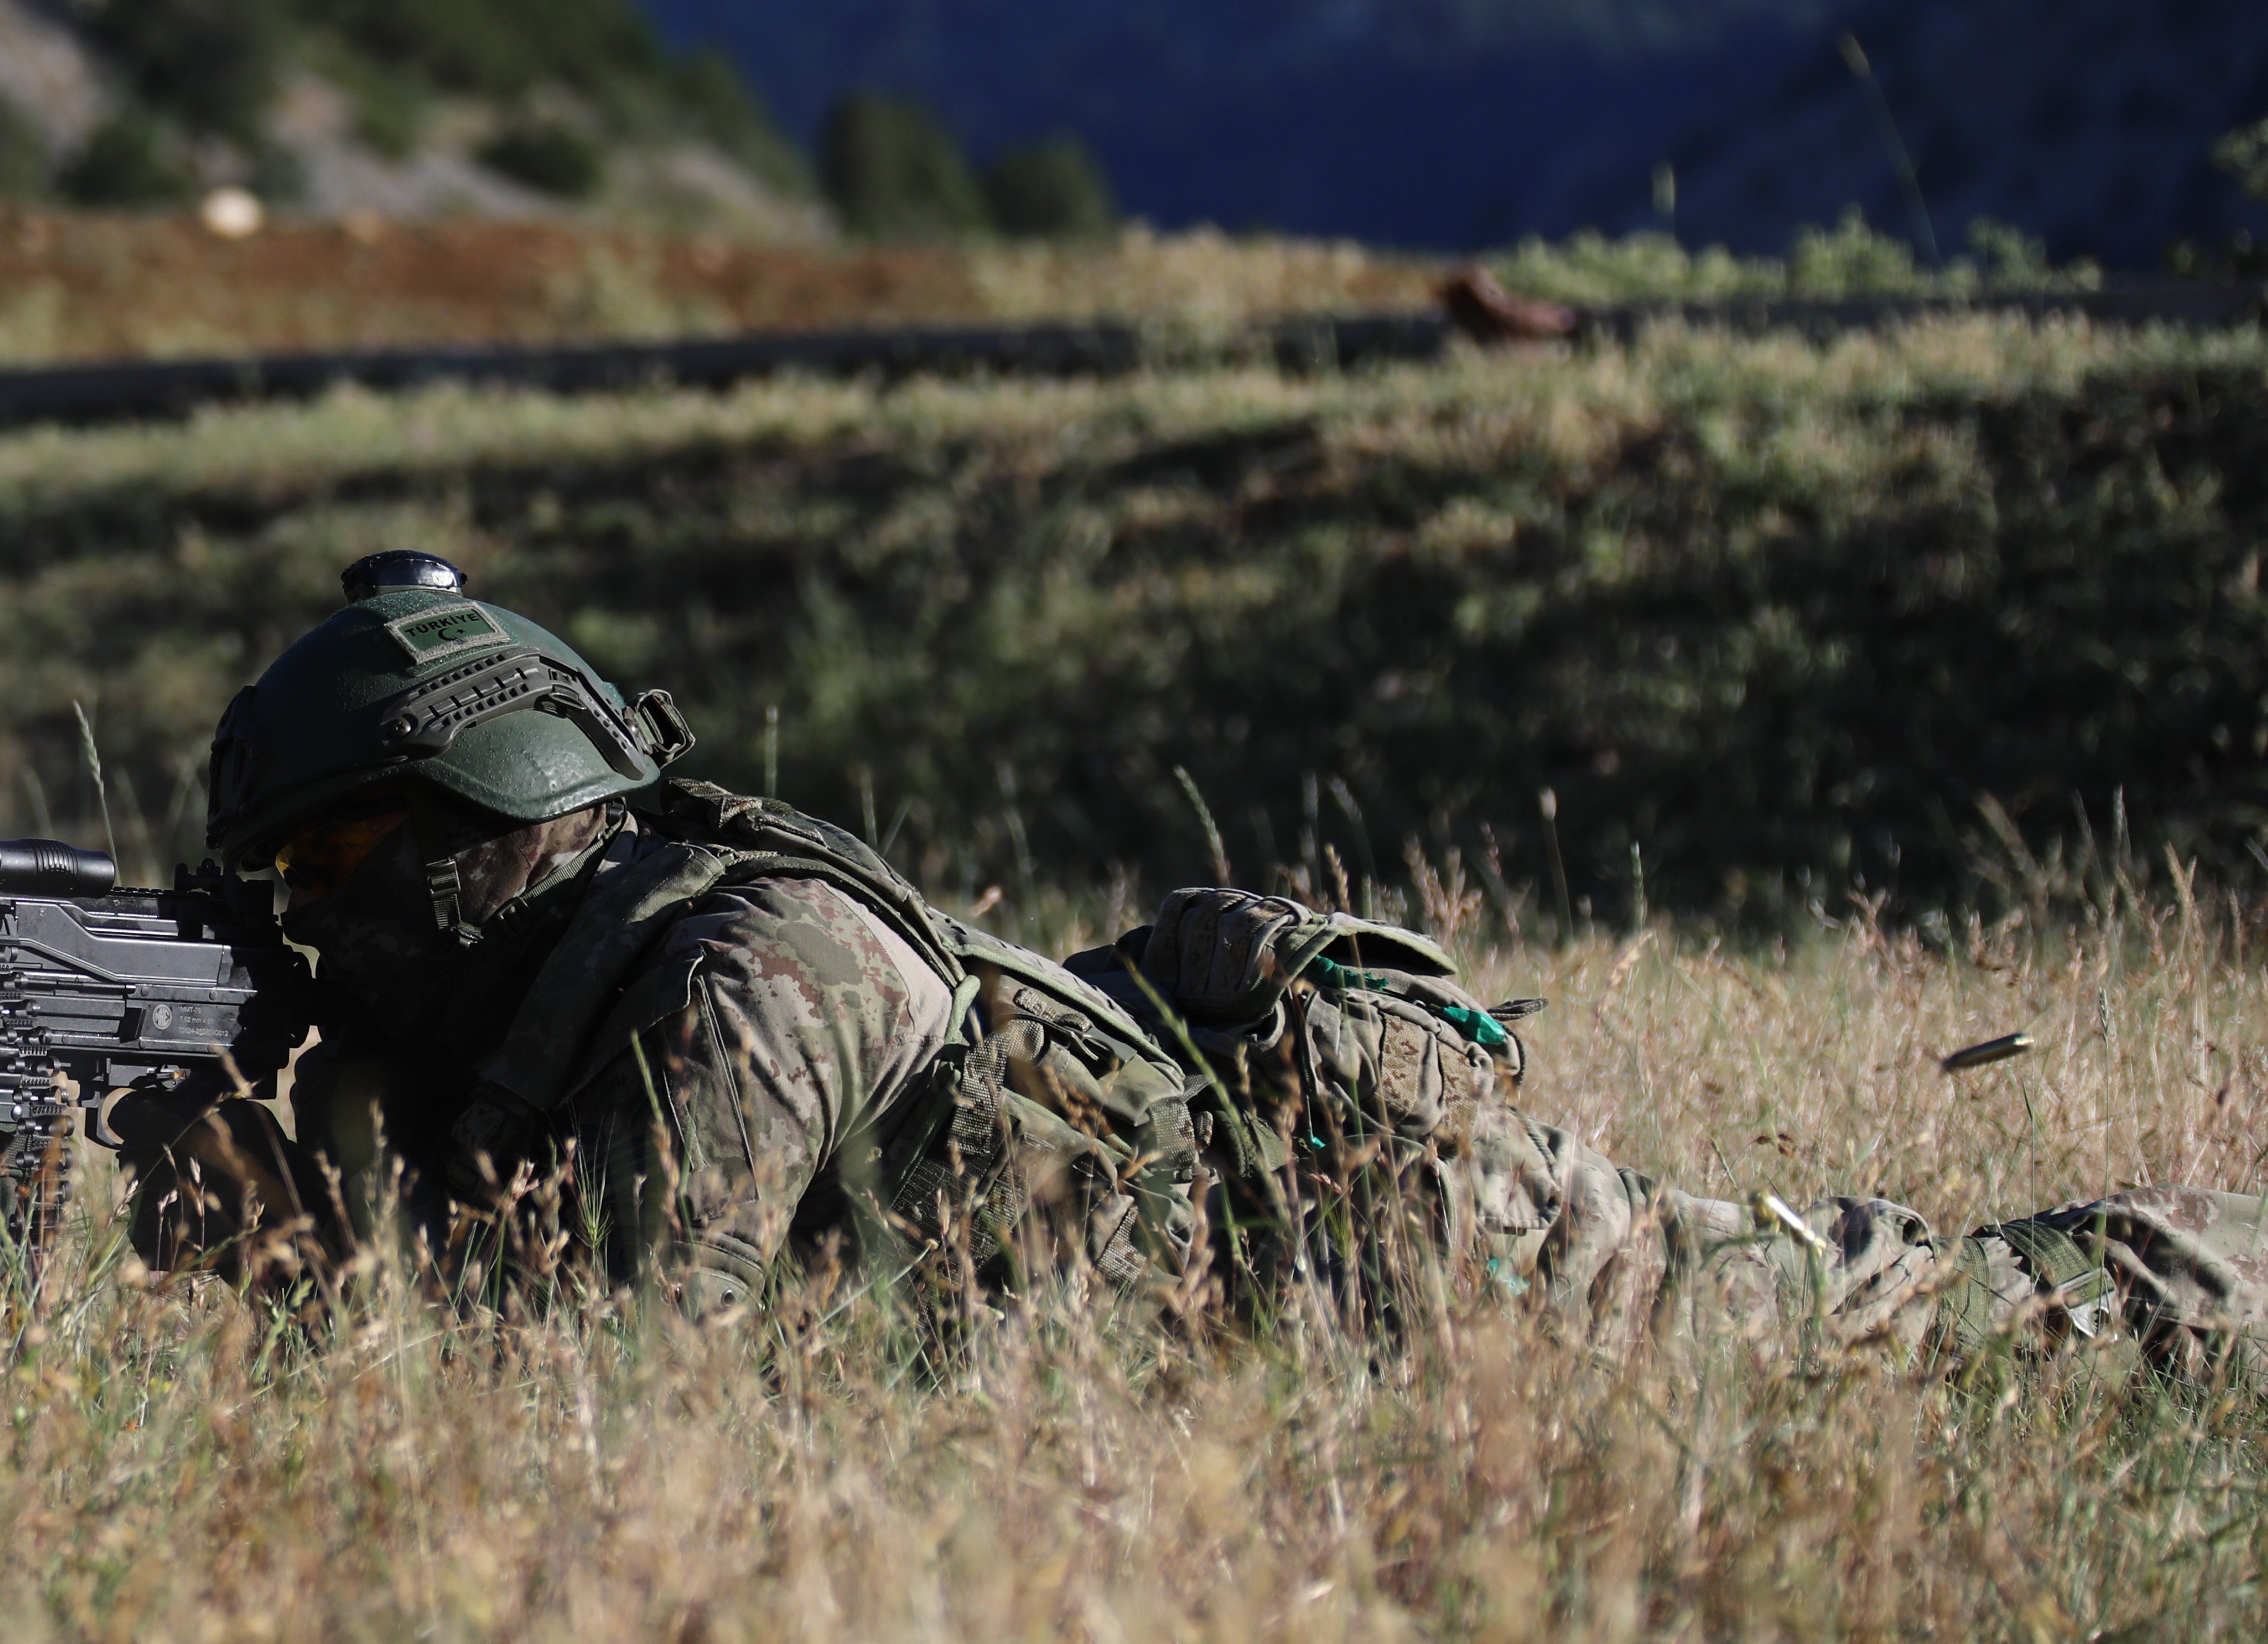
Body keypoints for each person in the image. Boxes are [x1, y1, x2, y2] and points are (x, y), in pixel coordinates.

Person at [116, 550, 2268, 1378]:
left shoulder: (753, 973)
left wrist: (261, 1211)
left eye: (341, 856)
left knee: (1933, 1321)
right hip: (1213, 1320)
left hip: (1389, 1253)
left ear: (496, 813)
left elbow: (594, 1399)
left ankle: (2207, 1263)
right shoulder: (523, 983)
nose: (311, 908)